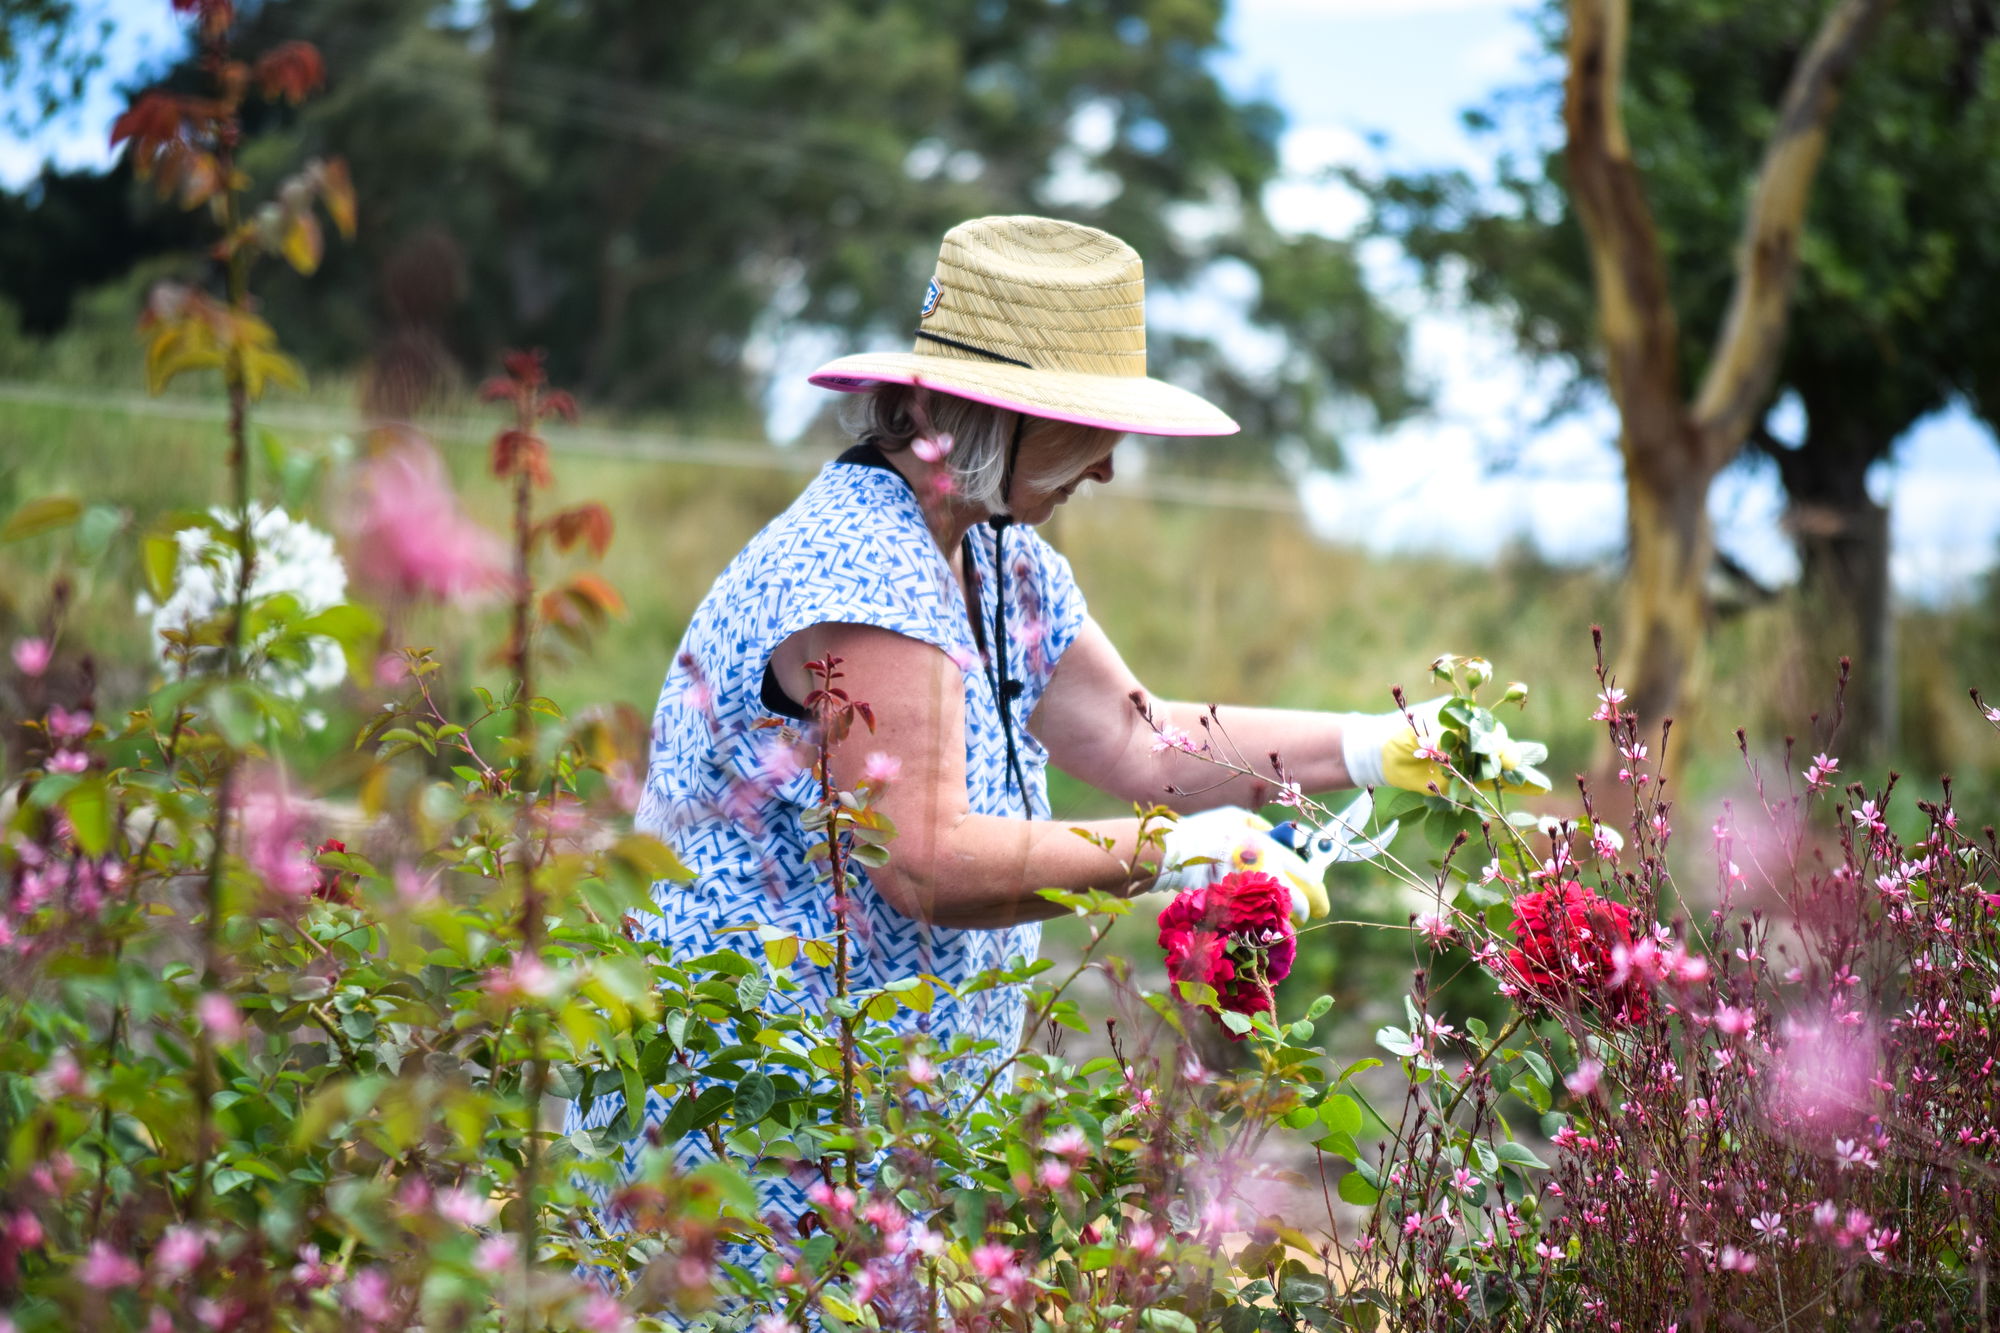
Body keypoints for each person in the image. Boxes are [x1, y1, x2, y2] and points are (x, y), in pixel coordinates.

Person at [566, 214, 1513, 1237]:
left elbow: (1144, 741)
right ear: (991, 417)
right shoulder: (862, 567)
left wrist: (1376, 744)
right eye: (1089, 427)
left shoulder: (994, 556)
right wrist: (1174, 851)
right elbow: (921, 860)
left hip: (867, 1117)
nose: (1106, 466)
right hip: (752, 1128)